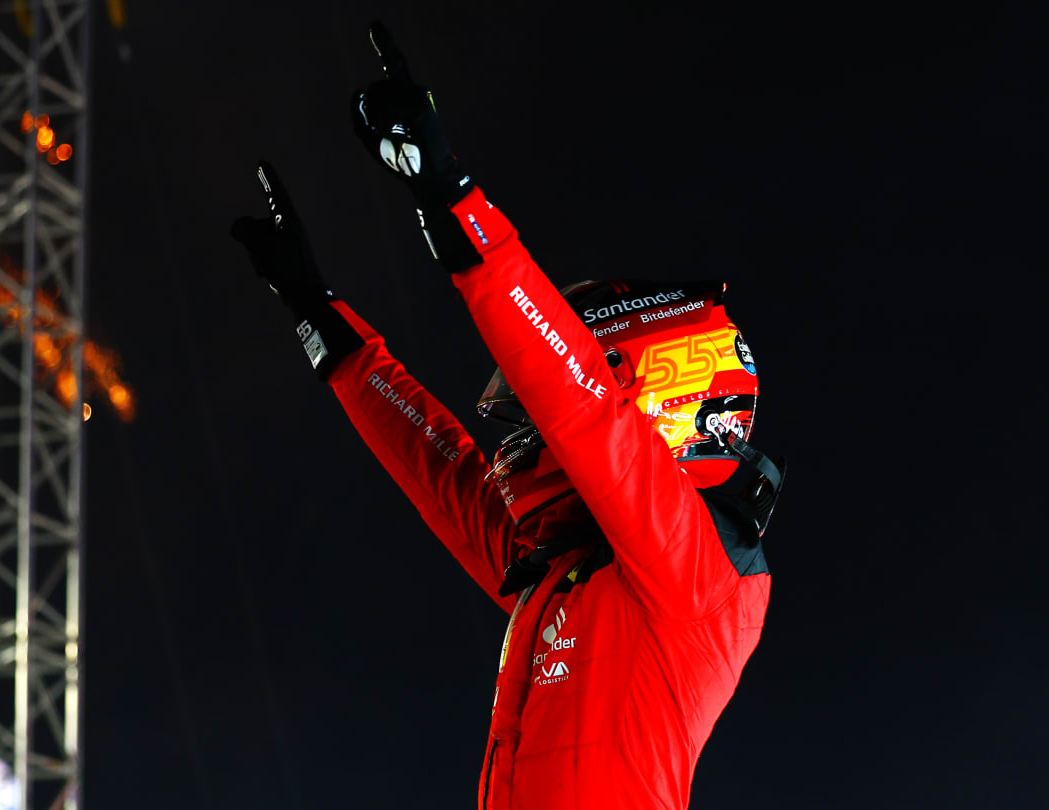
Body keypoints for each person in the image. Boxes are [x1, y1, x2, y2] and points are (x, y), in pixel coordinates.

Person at [231, 22, 785, 810]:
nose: (524, 433)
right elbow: (441, 467)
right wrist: (316, 310)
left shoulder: (697, 577)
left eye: (539, 409)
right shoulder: (561, 571)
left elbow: (584, 409)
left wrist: (448, 193)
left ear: (664, 394)